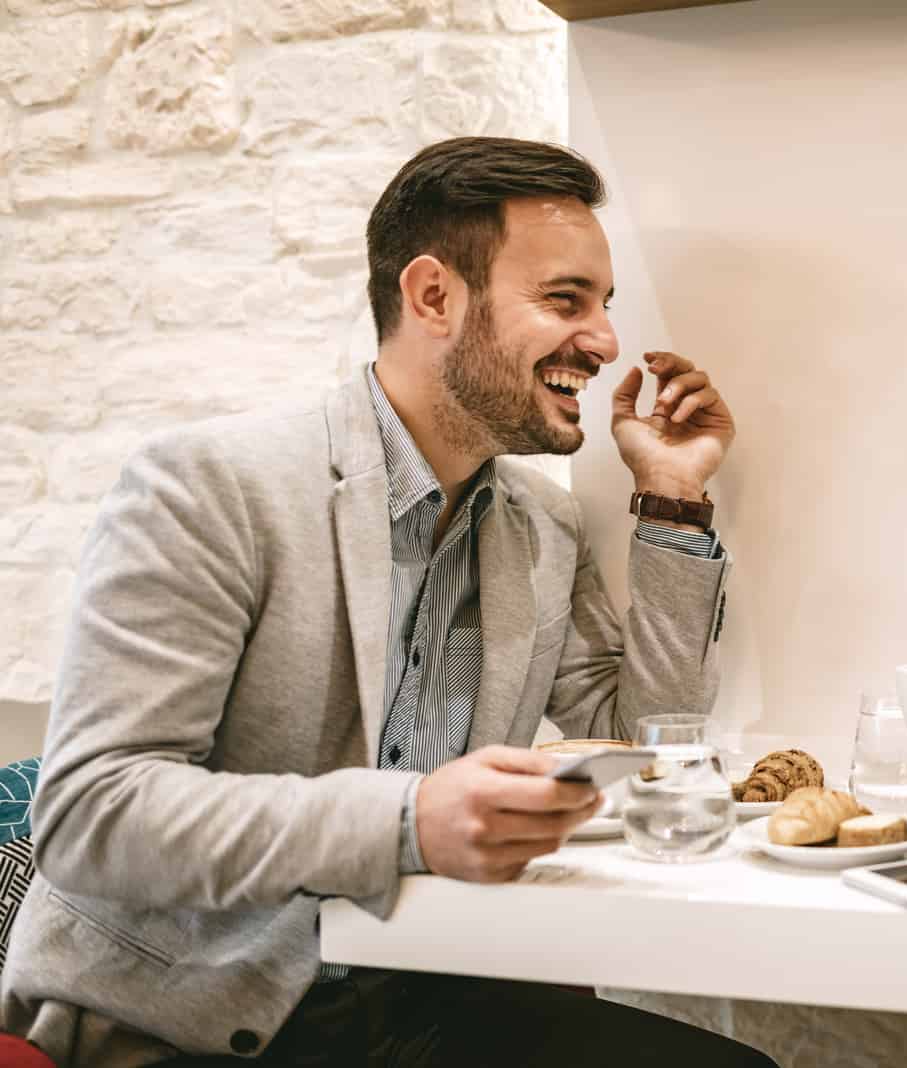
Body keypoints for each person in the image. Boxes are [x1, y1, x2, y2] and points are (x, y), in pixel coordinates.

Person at [1, 137, 773, 1068]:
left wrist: (674, 498)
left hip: (426, 990)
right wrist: (407, 820)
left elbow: (651, 730)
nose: (606, 341)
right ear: (434, 297)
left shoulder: (542, 524)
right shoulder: (210, 485)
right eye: (565, 301)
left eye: (604, 306)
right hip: (192, 1018)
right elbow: (92, 813)